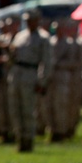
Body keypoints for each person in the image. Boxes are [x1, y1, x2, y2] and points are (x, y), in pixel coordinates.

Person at [7, 11, 54, 153]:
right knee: (16, 108)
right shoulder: (20, 36)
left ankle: (29, 139)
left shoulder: (43, 38)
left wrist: (42, 81)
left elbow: (47, 62)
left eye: (32, 20)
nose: (29, 23)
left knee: (28, 109)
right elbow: (12, 57)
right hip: (17, 73)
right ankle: (19, 137)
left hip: (30, 73)